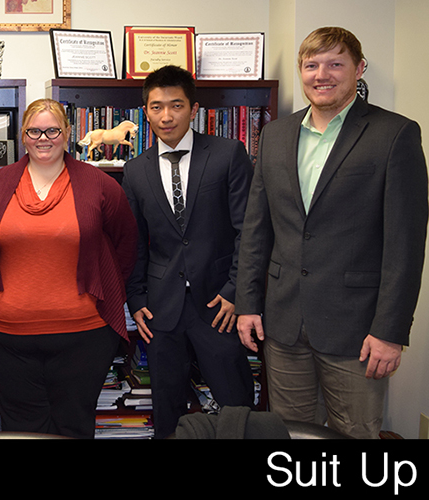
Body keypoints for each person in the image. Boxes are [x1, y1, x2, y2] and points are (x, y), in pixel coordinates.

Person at [236, 27, 428, 439]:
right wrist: (248, 304)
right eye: (311, 65)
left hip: (357, 331)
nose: (322, 74)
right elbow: (257, 229)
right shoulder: (275, 134)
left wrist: (390, 332)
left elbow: (405, 246)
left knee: (355, 434)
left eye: (336, 63)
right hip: (283, 324)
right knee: (289, 436)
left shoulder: (395, 134)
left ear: (359, 69)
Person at [0, 98, 138, 439]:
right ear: (23, 135)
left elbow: (125, 244)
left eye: (52, 130)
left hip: (84, 336)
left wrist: (105, 289)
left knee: (73, 426)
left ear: (67, 133)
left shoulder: (100, 185)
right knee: (20, 430)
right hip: (7, 340)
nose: (43, 138)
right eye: (34, 130)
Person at [121, 65, 255, 439]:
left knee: (237, 409)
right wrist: (136, 298)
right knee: (168, 412)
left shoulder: (229, 154)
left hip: (219, 307)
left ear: (194, 109)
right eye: (157, 106)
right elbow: (135, 241)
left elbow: (250, 230)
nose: (167, 116)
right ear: (146, 112)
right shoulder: (134, 170)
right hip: (162, 310)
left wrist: (235, 292)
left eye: (176, 105)